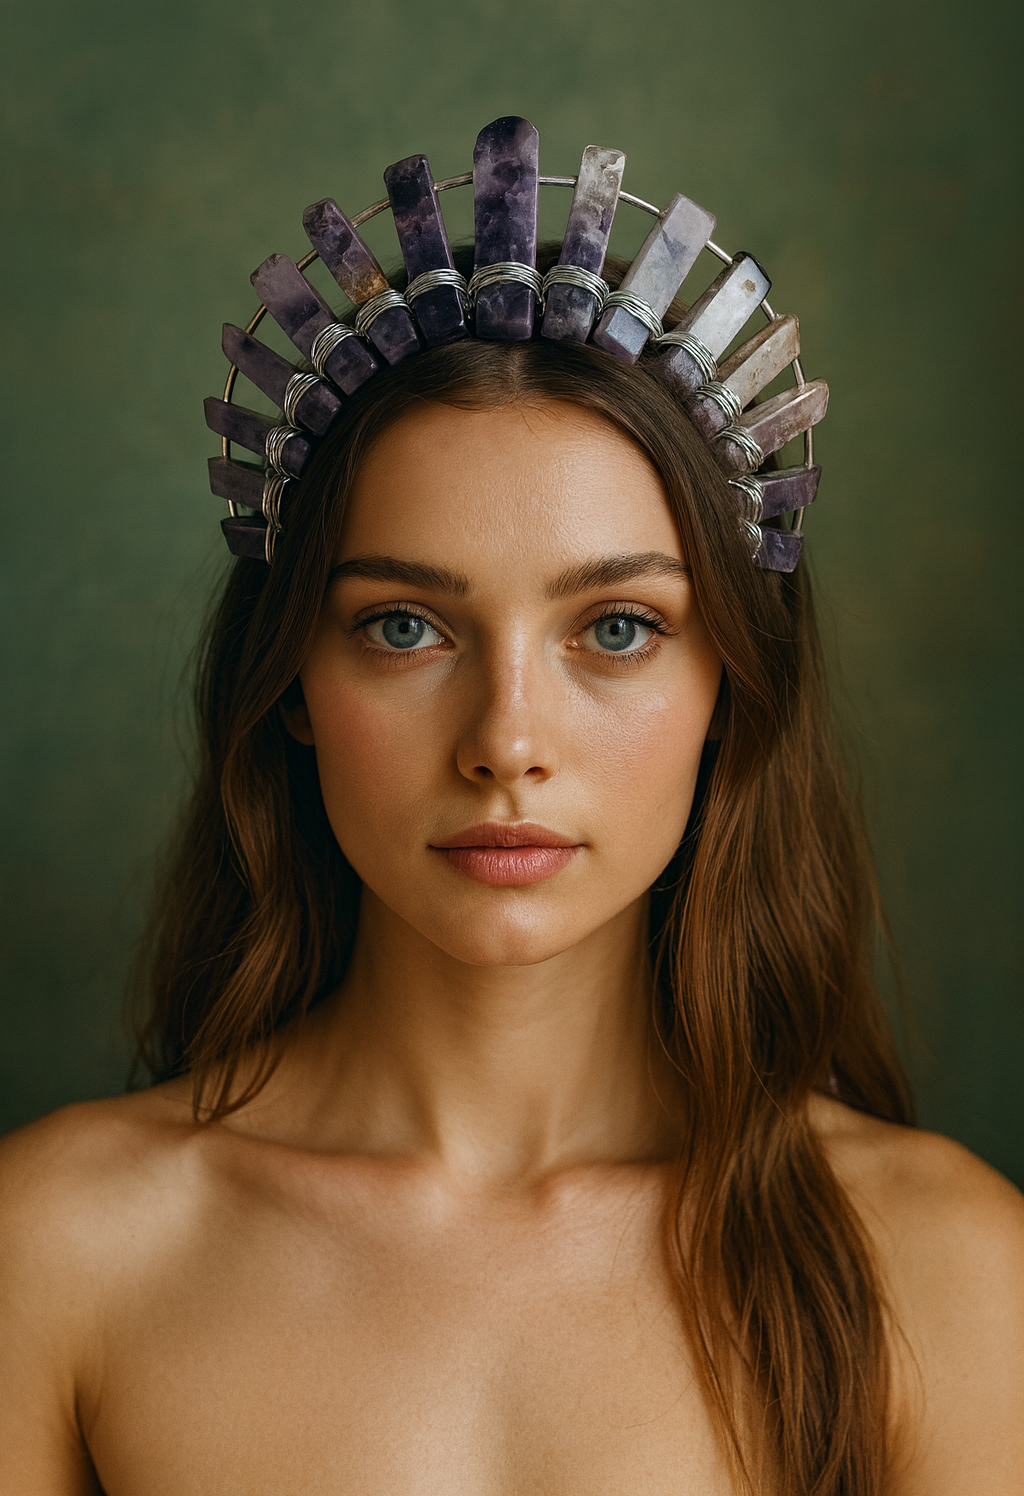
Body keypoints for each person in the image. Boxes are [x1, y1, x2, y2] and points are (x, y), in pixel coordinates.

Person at [1, 124, 1022, 1496]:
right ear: (293, 676)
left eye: (615, 629)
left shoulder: (947, 1272)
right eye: (407, 626)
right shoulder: (55, 1252)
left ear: (732, 679)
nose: (506, 744)